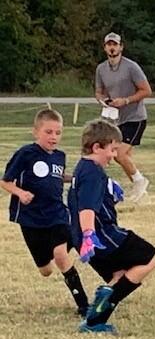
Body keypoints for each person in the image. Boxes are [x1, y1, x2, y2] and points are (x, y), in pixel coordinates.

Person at [68, 119, 155, 334]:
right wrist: (90, 235)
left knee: (119, 275)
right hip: (102, 236)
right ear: (97, 147)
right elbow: (86, 209)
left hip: (84, 239)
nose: (114, 155)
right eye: (112, 150)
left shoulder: (84, 167)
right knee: (149, 257)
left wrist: (109, 188)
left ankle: (96, 323)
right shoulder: (93, 173)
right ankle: (97, 313)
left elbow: (81, 194)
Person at [0, 109, 89, 316]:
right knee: (46, 271)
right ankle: (63, 248)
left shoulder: (60, 156)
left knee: (60, 254)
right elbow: (5, 182)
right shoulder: (25, 154)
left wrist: (76, 178)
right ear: (36, 132)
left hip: (56, 214)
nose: (53, 137)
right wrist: (20, 193)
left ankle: (84, 304)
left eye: (58, 133)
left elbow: (57, 177)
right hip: (30, 219)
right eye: (48, 132)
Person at [95, 32, 151, 203]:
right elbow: (99, 91)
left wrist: (126, 100)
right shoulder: (101, 69)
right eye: (109, 44)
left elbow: (146, 90)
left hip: (135, 117)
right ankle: (140, 192)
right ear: (105, 47)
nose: (112, 48)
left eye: (115, 44)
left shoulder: (131, 67)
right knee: (124, 157)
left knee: (118, 154)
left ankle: (141, 182)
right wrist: (103, 100)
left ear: (121, 47)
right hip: (116, 118)